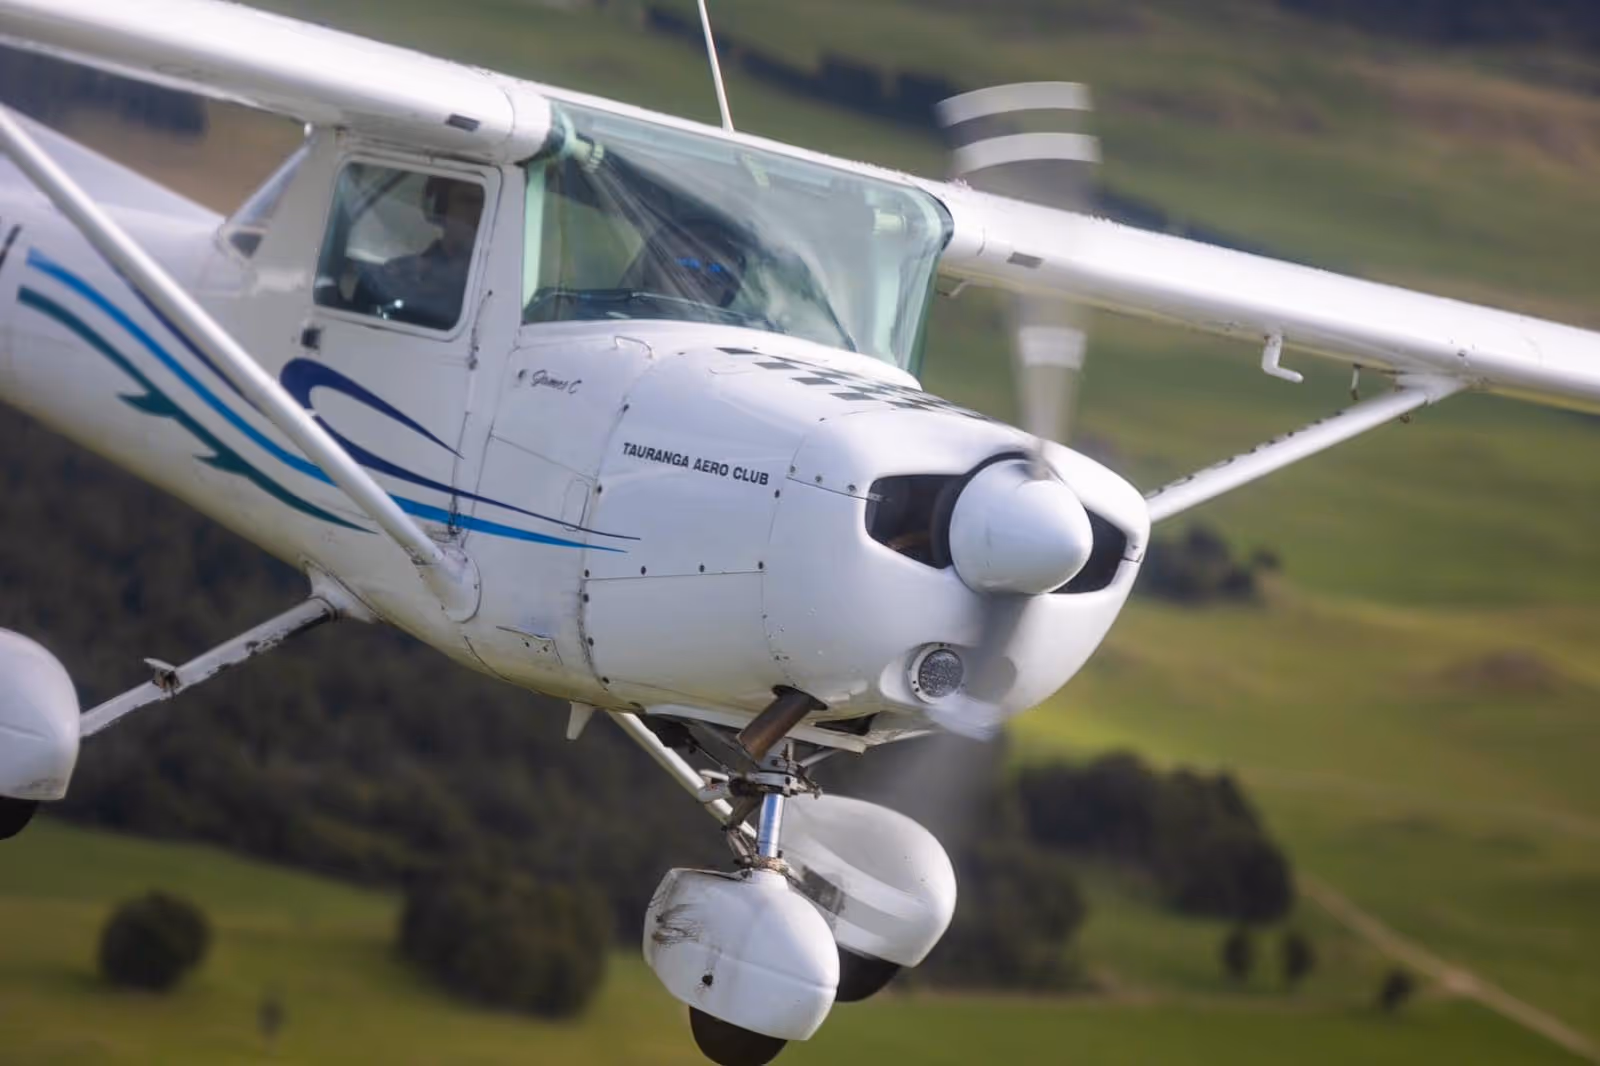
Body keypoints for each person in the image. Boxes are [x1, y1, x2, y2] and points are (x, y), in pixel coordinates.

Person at [370, 177, 484, 330]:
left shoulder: (504, 291)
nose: (481, 214)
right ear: (441, 207)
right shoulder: (395, 278)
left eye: (487, 205)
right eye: (469, 201)